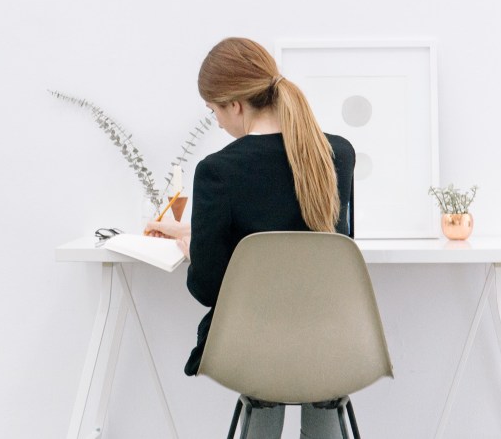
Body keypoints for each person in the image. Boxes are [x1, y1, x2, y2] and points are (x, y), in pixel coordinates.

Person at [146, 37, 355, 439]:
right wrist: (200, 231)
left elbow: (209, 289)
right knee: (315, 352)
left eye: (214, 113)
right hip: (333, 342)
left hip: (254, 347)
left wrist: (196, 251)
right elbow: (332, 248)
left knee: (263, 339)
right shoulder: (337, 154)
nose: (219, 124)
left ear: (236, 105)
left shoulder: (218, 171)